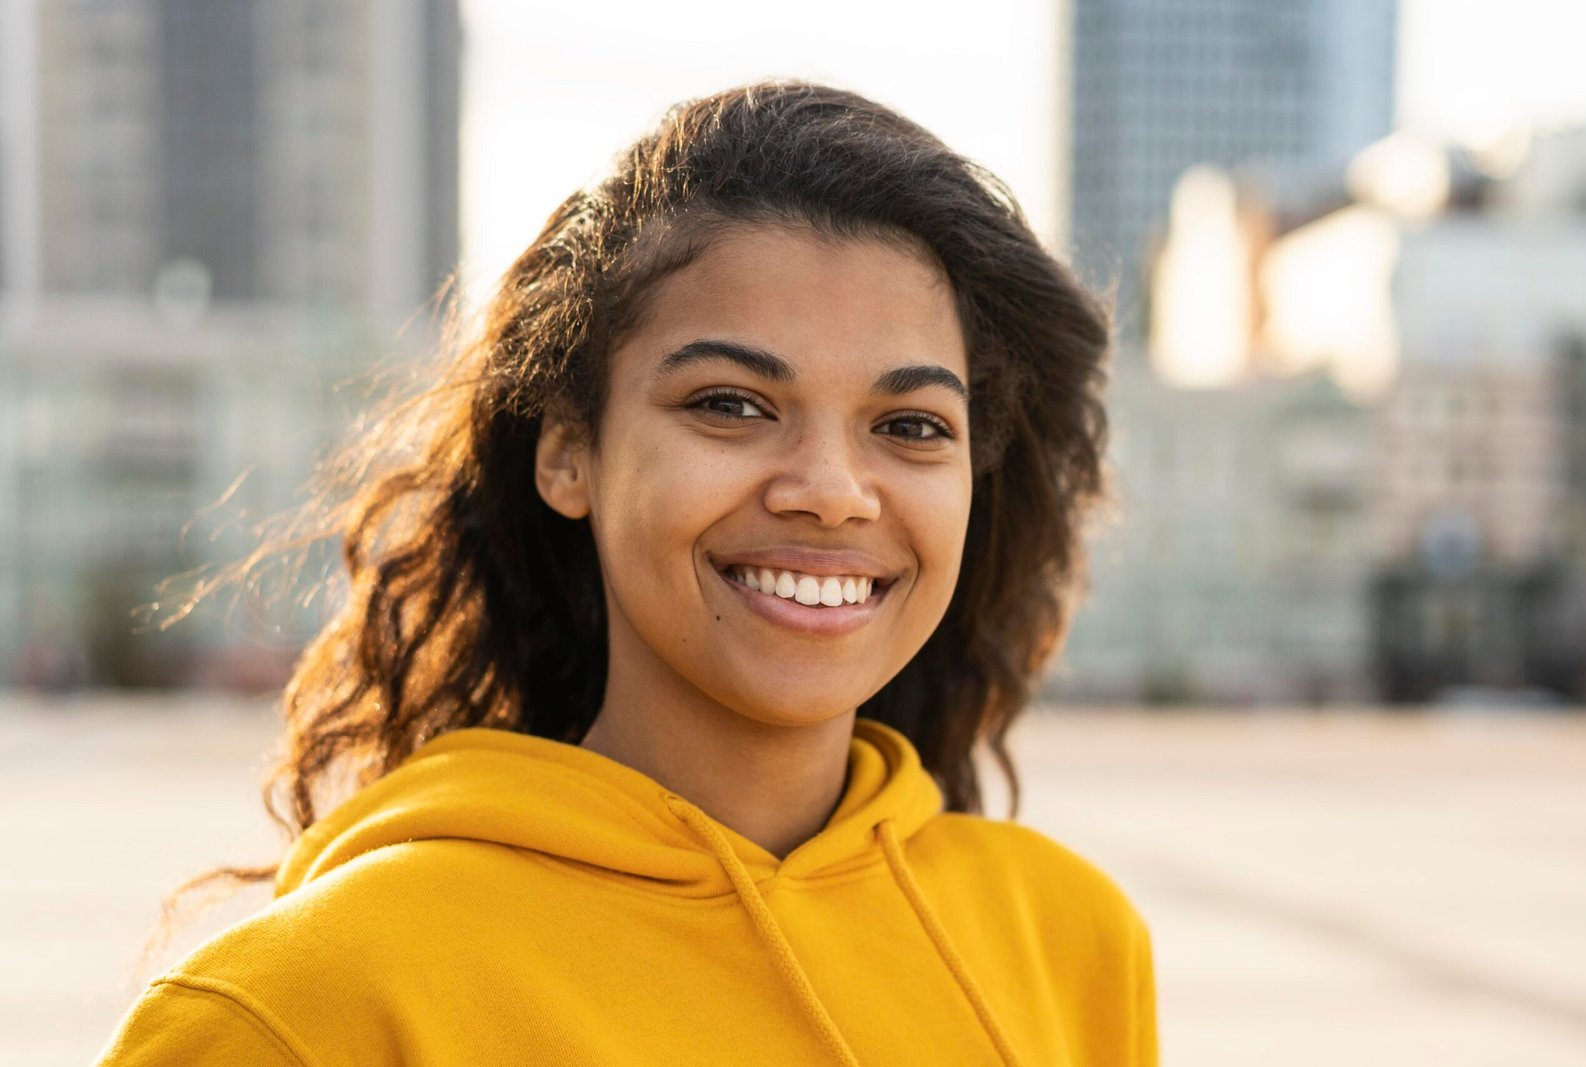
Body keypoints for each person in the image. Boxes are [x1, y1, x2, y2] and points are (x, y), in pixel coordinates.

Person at [97, 81, 1157, 1066]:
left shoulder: (1067, 937)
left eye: (910, 425)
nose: (833, 489)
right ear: (568, 451)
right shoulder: (299, 1007)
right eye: (729, 403)